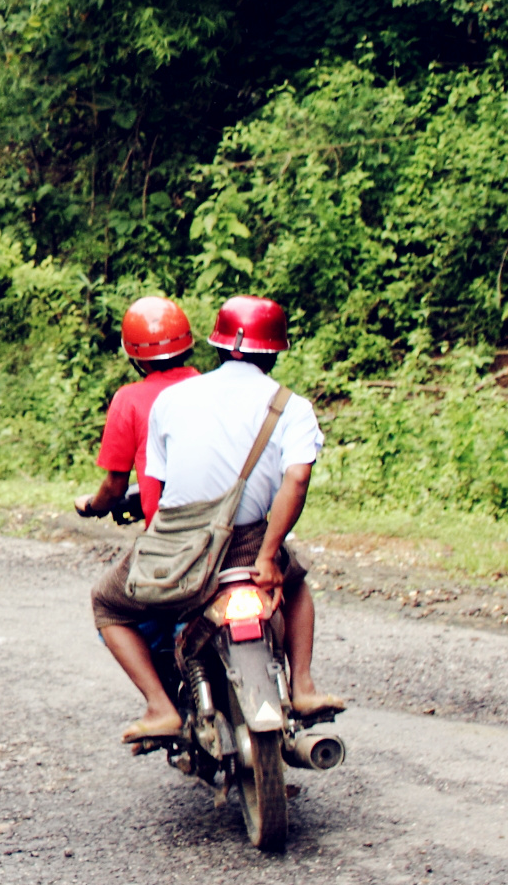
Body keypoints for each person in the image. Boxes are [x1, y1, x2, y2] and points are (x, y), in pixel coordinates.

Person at [90, 294, 346, 743]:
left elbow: (162, 489)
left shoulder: (173, 399)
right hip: (249, 545)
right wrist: (268, 556)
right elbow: (297, 480)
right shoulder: (293, 406)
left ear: (218, 344)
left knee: (107, 604)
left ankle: (159, 706)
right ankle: (302, 686)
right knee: (297, 581)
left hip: (176, 545)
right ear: (276, 349)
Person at [75, 296, 199, 526]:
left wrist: (93, 505)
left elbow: (114, 487)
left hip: (168, 532)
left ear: (136, 356)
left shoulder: (129, 399)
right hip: (218, 519)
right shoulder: (209, 387)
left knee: (128, 564)